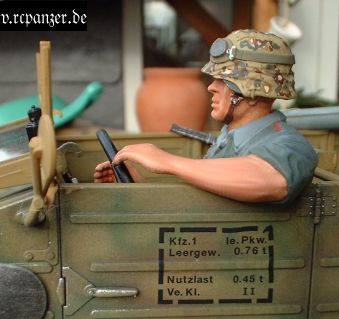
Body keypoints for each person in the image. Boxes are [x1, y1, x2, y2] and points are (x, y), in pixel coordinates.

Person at [94, 29, 318, 204]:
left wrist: (167, 161)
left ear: (251, 92)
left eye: (224, 81)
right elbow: (207, 197)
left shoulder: (289, 144)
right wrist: (136, 183)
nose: (211, 87)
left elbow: (272, 180)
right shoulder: (230, 138)